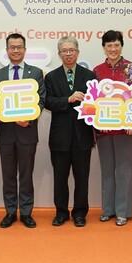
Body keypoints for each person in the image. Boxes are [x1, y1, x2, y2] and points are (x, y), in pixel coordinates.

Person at [0, 33, 46, 229]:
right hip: (5, 133)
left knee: (26, 174)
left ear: (25, 49)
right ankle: (9, 212)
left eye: (19, 47)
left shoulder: (36, 73)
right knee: (8, 175)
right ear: (7, 51)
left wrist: (30, 118)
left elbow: (41, 100)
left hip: (27, 132)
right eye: (12, 47)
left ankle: (25, 212)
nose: (15, 50)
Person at [44, 35, 96, 227]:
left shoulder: (89, 76)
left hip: (82, 135)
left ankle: (80, 213)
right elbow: (48, 102)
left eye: (71, 50)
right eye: (64, 51)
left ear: (77, 52)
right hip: (60, 137)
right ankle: (61, 212)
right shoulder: (51, 77)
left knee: (82, 178)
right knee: (60, 178)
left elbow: (95, 104)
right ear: (59, 54)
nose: (68, 54)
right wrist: (68, 99)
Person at [93, 30, 132, 226]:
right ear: (103, 48)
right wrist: (99, 124)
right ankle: (107, 210)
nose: (112, 49)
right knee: (106, 170)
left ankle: (122, 211)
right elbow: (94, 101)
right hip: (103, 130)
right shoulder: (96, 71)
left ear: (122, 46)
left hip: (125, 129)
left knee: (123, 170)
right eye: (109, 46)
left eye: (116, 45)